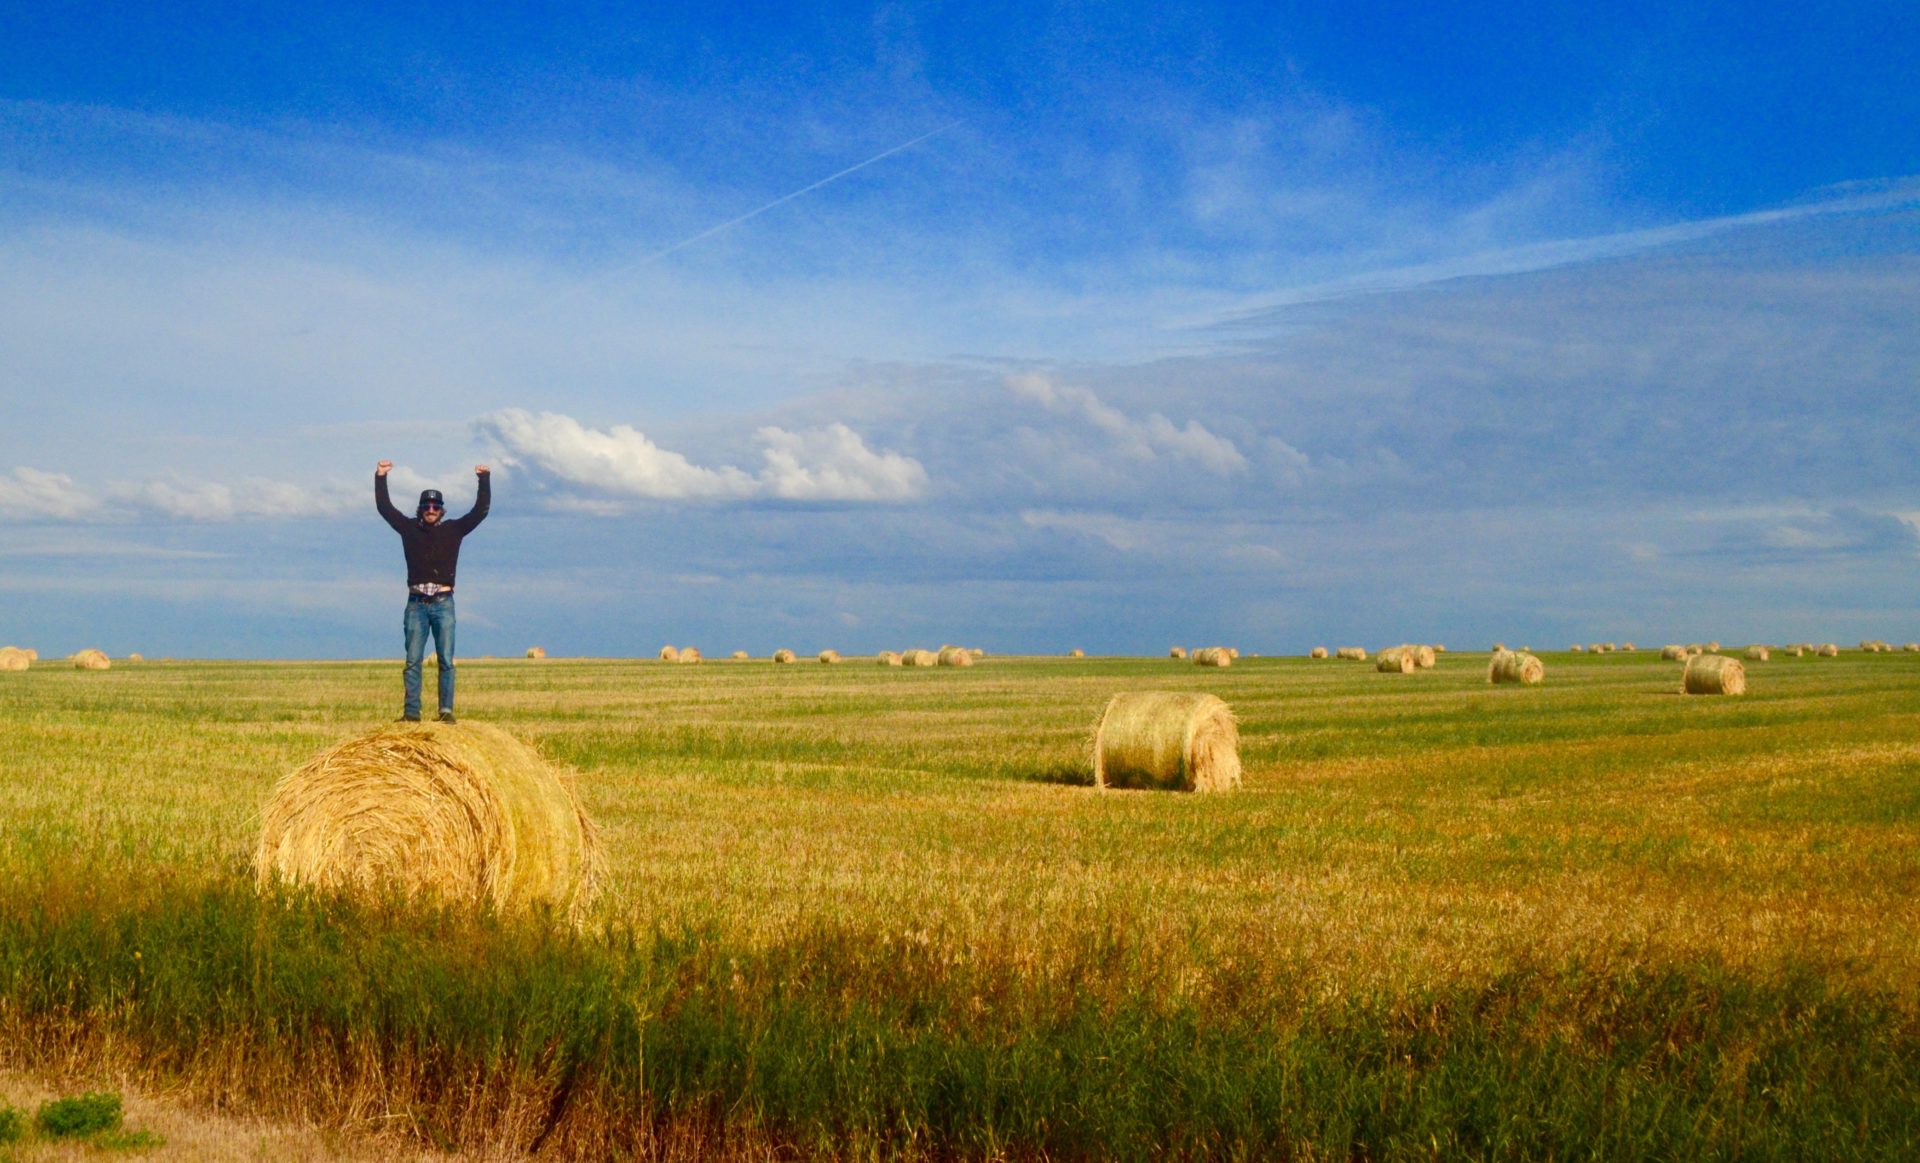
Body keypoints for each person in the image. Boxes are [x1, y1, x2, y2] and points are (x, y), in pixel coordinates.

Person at [375, 460, 490, 722]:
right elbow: (384, 508)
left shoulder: (454, 530)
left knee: (446, 660)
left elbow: (480, 511)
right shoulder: (408, 529)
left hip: (443, 603)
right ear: (420, 509)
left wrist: (484, 479)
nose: (430, 510)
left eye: (435, 506)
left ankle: (446, 712)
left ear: (441, 510)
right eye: (426, 506)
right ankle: (411, 713)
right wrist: (380, 476)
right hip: (416, 603)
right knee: (413, 661)